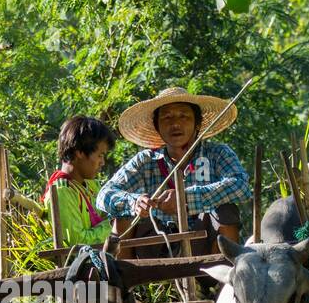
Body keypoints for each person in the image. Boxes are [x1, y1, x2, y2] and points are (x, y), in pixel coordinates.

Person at [94, 86, 249, 256]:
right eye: (167, 117)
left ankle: (223, 279)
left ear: (197, 123)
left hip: (204, 246)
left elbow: (240, 185)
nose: (175, 124)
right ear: (157, 126)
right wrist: (135, 202)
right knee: (123, 213)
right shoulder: (145, 160)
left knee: (226, 210)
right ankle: (122, 278)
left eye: (184, 116)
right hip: (157, 247)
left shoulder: (217, 153)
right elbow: (104, 195)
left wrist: (186, 199)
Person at [43, 115, 117, 247]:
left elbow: (106, 213)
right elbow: (77, 242)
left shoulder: (90, 184)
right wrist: (112, 227)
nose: (102, 162)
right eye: (99, 155)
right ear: (80, 153)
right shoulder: (62, 192)